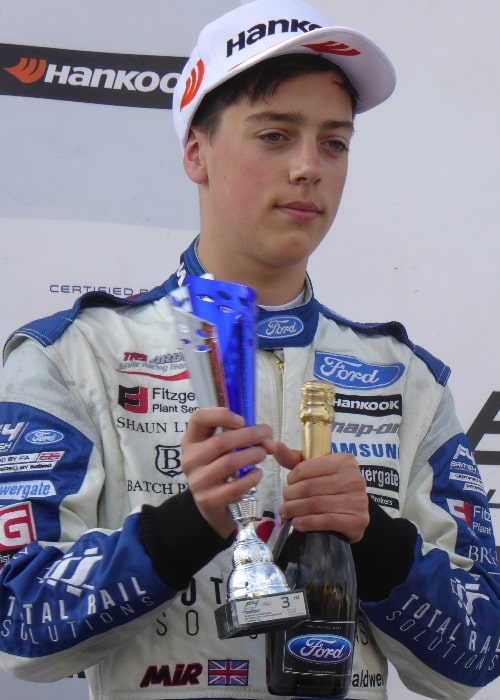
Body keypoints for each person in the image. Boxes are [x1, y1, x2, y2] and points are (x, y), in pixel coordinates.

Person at [0, 1, 498, 699]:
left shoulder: (404, 379)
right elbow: (13, 630)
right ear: (195, 152)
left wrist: (376, 544)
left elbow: (478, 656)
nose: (308, 168)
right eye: (274, 134)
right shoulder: (72, 356)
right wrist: (184, 526)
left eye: (334, 142)